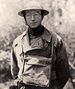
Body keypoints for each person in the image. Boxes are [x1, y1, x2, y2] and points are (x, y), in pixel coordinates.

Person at [10, 0, 70, 89]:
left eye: (36, 14)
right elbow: (14, 71)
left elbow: (64, 72)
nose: (32, 18)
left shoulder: (56, 40)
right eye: (29, 15)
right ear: (25, 18)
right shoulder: (17, 42)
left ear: (42, 17)